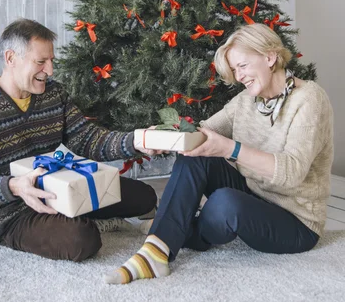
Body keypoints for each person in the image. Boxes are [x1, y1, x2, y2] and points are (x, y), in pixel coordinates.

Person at [105, 23, 334, 284]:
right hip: (255, 196)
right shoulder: (246, 101)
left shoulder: (310, 99)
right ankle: (157, 251)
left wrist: (231, 149)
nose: (239, 76)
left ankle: (176, 230)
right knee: (195, 154)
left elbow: (291, 173)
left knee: (224, 204)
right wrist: (166, 137)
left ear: (270, 57)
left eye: (243, 66)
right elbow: (202, 133)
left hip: (296, 222)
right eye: (235, 70)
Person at [0, 18, 157, 262]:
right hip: (11, 213)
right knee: (82, 240)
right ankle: (83, 222)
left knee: (144, 197)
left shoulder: (54, 93)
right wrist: (15, 186)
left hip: (58, 187)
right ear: (10, 58)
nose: (50, 70)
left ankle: (77, 216)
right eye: (40, 62)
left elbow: (87, 138)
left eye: (51, 61)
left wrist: (136, 141)